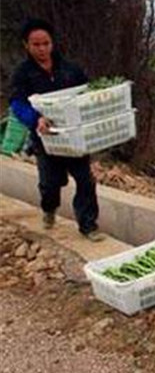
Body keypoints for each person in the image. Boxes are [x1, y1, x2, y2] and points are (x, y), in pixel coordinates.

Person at [9, 18, 104, 241]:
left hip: (74, 138)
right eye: (36, 45)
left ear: (52, 43)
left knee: (85, 180)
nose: (42, 49)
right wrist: (35, 119)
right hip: (46, 140)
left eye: (46, 43)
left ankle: (88, 226)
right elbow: (17, 103)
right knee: (51, 184)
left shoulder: (70, 69)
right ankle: (49, 209)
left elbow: (86, 94)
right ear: (26, 45)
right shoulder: (23, 74)